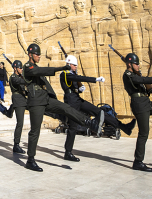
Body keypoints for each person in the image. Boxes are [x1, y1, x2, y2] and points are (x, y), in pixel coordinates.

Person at [23, 43, 104, 172]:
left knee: (67, 108)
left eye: (39, 54)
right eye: (37, 54)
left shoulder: (37, 68)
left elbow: (47, 85)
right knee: (35, 131)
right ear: (30, 55)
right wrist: (61, 68)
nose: (39, 56)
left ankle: (89, 122)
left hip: (46, 99)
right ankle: (30, 160)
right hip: (35, 102)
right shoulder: (28, 67)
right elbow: (41, 71)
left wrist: (53, 99)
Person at [60, 55, 137, 162]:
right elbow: (77, 78)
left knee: (100, 111)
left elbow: (77, 81)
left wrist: (80, 88)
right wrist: (95, 79)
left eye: (76, 65)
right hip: (70, 101)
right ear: (68, 64)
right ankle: (68, 153)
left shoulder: (72, 73)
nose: (76, 67)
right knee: (73, 127)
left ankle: (124, 127)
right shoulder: (64, 74)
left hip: (77, 99)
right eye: (74, 65)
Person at [9, 60, 28, 154]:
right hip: (18, 100)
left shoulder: (20, 76)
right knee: (20, 123)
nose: (21, 69)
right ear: (15, 68)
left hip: (23, 99)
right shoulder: (13, 77)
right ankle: (16, 145)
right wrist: (27, 80)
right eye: (20, 68)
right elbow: (20, 81)